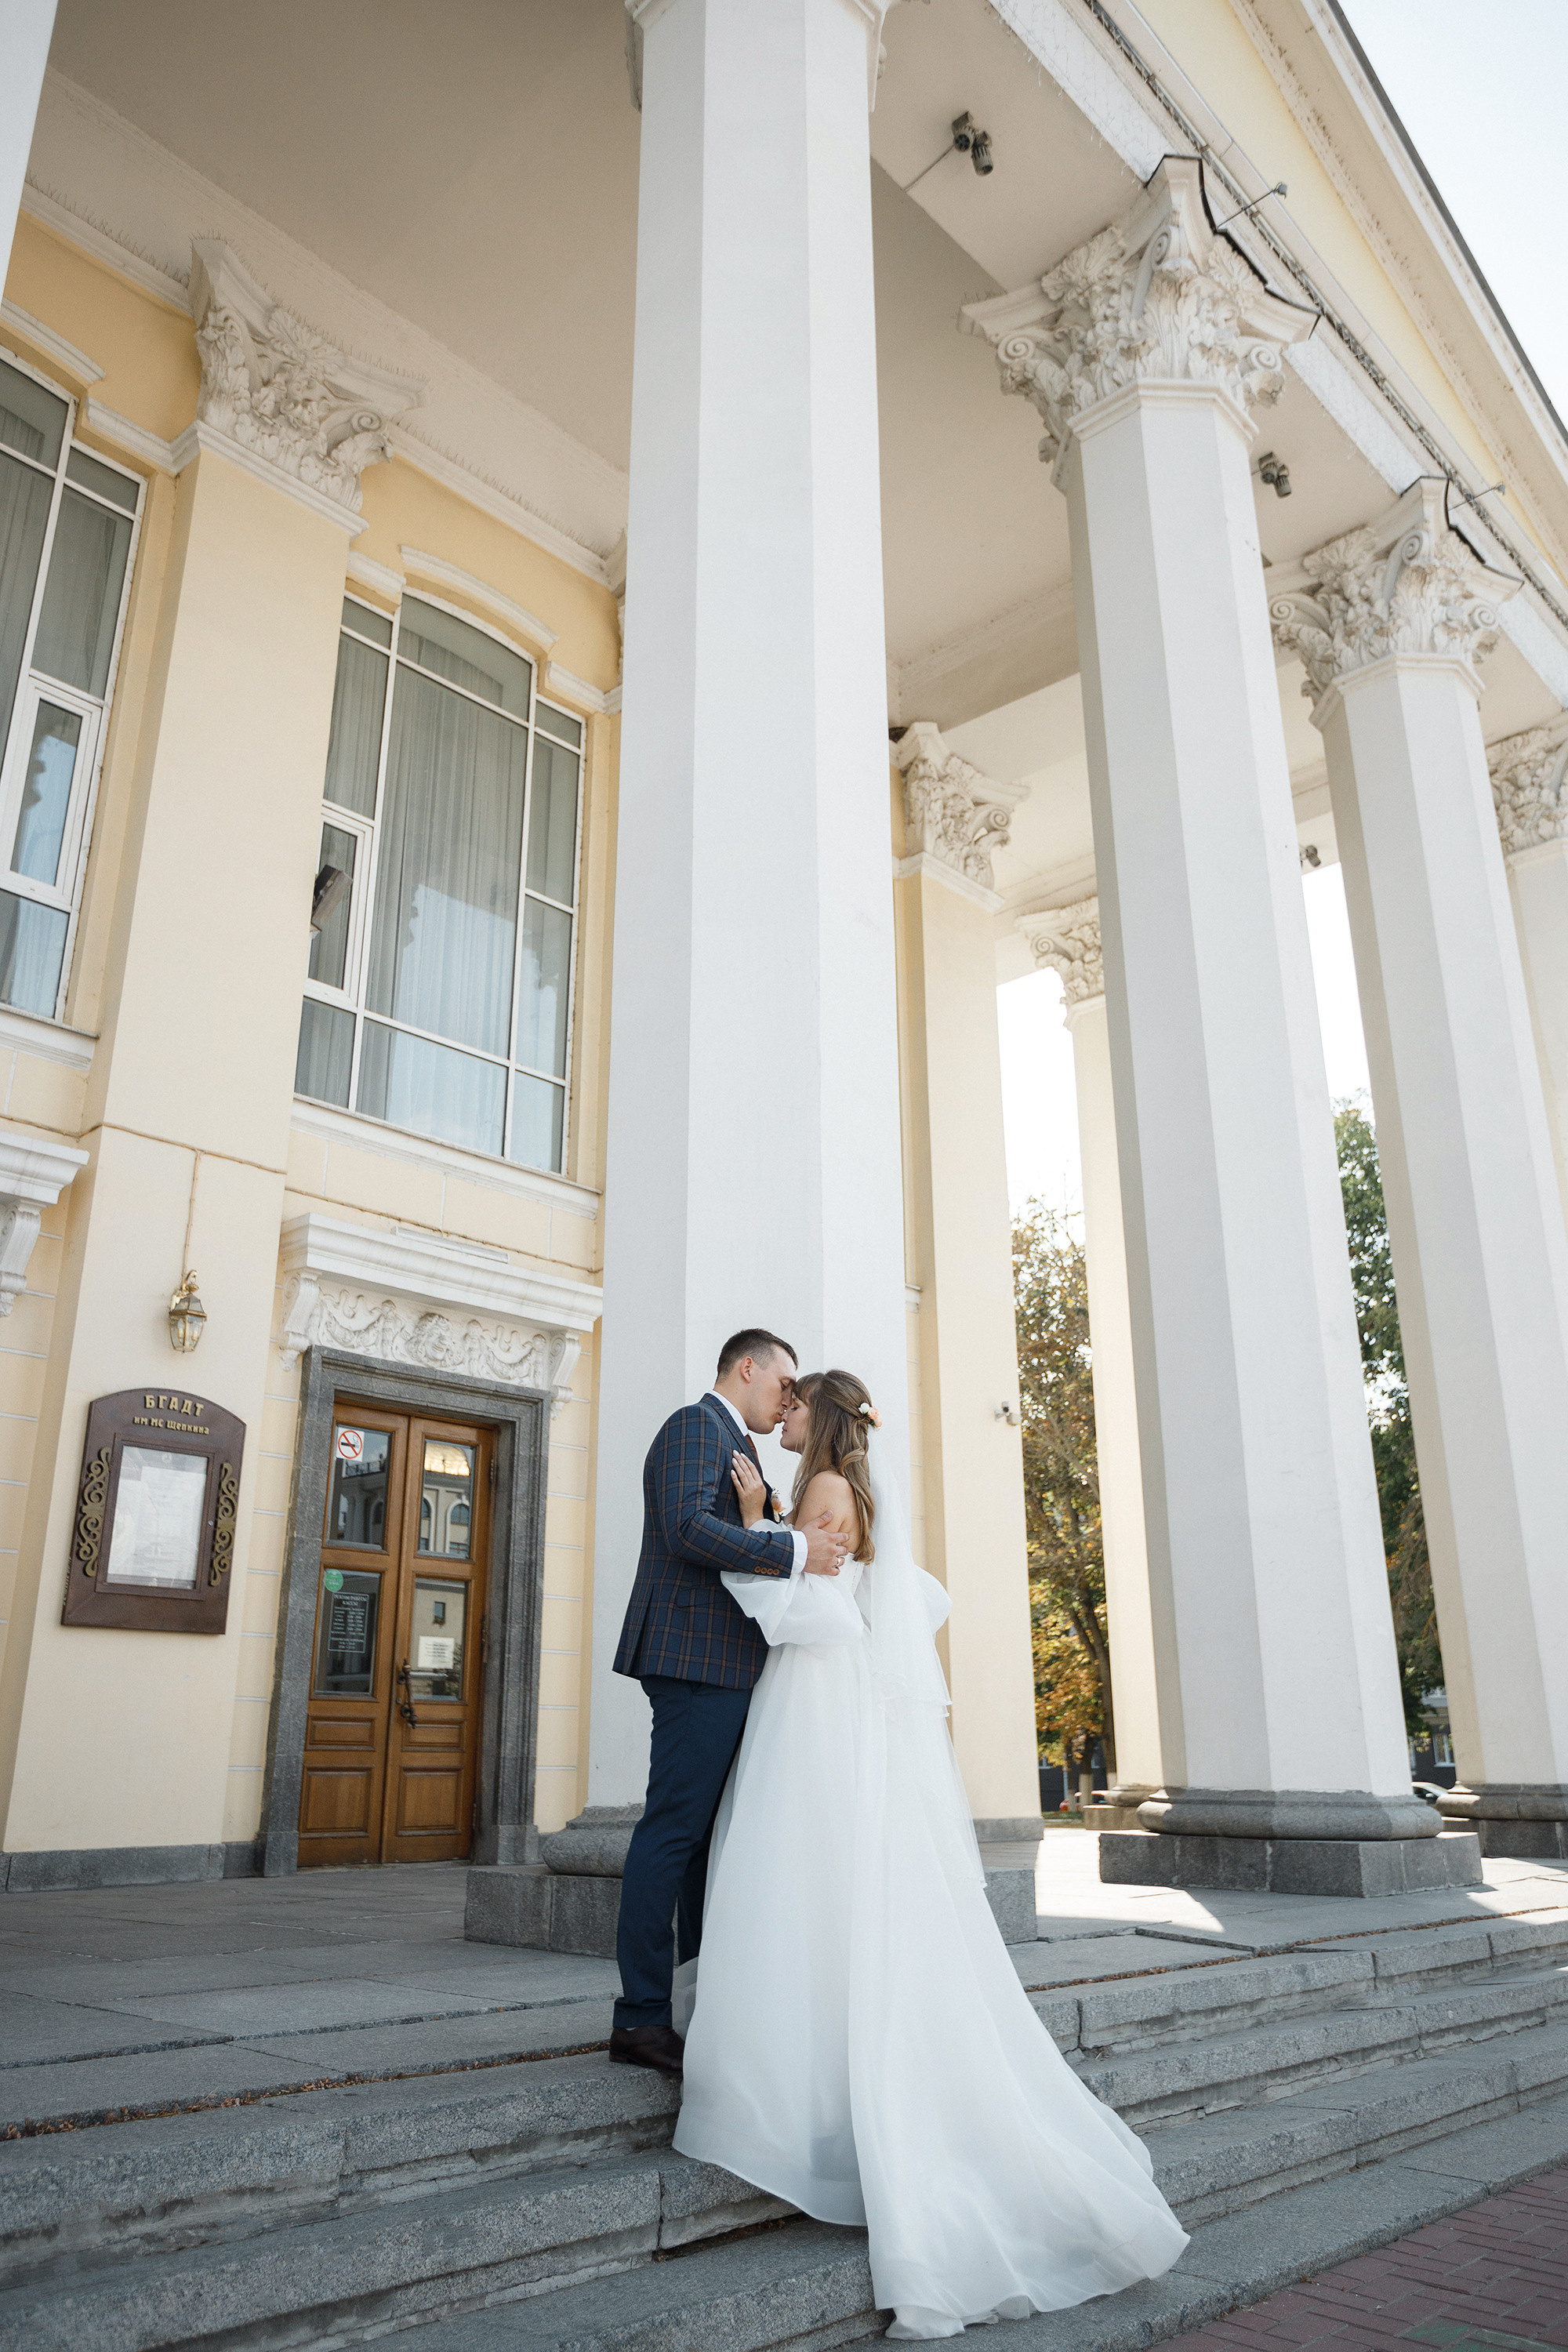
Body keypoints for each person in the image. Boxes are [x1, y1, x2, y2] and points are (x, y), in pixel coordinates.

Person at [670, 1368, 1190, 2340]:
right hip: (831, 1706)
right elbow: (838, 1576)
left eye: (787, 1408)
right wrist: (775, 1527)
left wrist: (754, 1536)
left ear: (813, 1417)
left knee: (798, 1884)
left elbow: (812, 1611)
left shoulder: (824, 1492)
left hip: (816, 1701)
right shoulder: (839, 1491)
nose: (773, 1418)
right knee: (820, 1886)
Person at [608, 1328, 849, 2078]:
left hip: (728, 1666)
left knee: (705, 1846)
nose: (788, 1401)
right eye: (784, 1384)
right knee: (672, 1834)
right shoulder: (694, 1425)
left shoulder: (733, 1443)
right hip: (693, 1662)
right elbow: (684, 1529)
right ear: (747, 1368)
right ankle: (641, 2018)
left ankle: (697, 2001)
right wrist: (793, 1549)